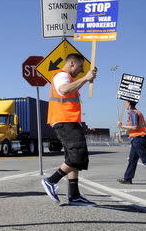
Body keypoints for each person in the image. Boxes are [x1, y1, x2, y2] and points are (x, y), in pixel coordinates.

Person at [41, 53, 97, 206]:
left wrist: (86, 79)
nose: (81, 70)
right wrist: (85, 78)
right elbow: (64, 90)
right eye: (80, 67)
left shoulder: (69, 78)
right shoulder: (62, 76)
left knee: (73, 159)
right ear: (72, 63)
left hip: (68, 121)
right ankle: (50, 181)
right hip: (65, 121)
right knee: (78, 156)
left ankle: (74, 195)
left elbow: (71, 89)